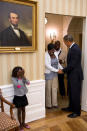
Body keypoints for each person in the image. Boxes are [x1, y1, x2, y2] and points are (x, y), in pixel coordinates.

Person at [58, 34, 83, 118]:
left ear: (67, 41)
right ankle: (71, 108)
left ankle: (76, 112)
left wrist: (63, 71)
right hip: (72, 75)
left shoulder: (75, 49)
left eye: (64, 42)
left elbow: (72, 65)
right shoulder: (72, 48)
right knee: (71, 93)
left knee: (75, 94)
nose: (64, 43)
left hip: (75, 76)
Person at [12, 66, 30, 131]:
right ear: (15, 72)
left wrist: (23, 76)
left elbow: (28, 83)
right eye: (19, 72)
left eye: (21, 71)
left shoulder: (22, 77)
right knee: (19, 111)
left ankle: (23, 123)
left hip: (23, 96)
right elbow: (18, 86)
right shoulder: (13, 79)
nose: (20, 73)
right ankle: (20, 125)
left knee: (23, 110)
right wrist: (20, 77)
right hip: (17, 97)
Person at [45, 43, 63, 109]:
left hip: (55, 74)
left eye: (54, 50)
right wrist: (57, 70)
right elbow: (48, 66)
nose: (53, 51)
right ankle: (48, 104)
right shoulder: (45, 55)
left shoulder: (55, 54)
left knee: (55, 88)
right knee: (48, 89)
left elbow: (57, 63)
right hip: (49, 74)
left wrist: (62, 69)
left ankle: (55, 103)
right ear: (48, 50)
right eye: (52, 50)